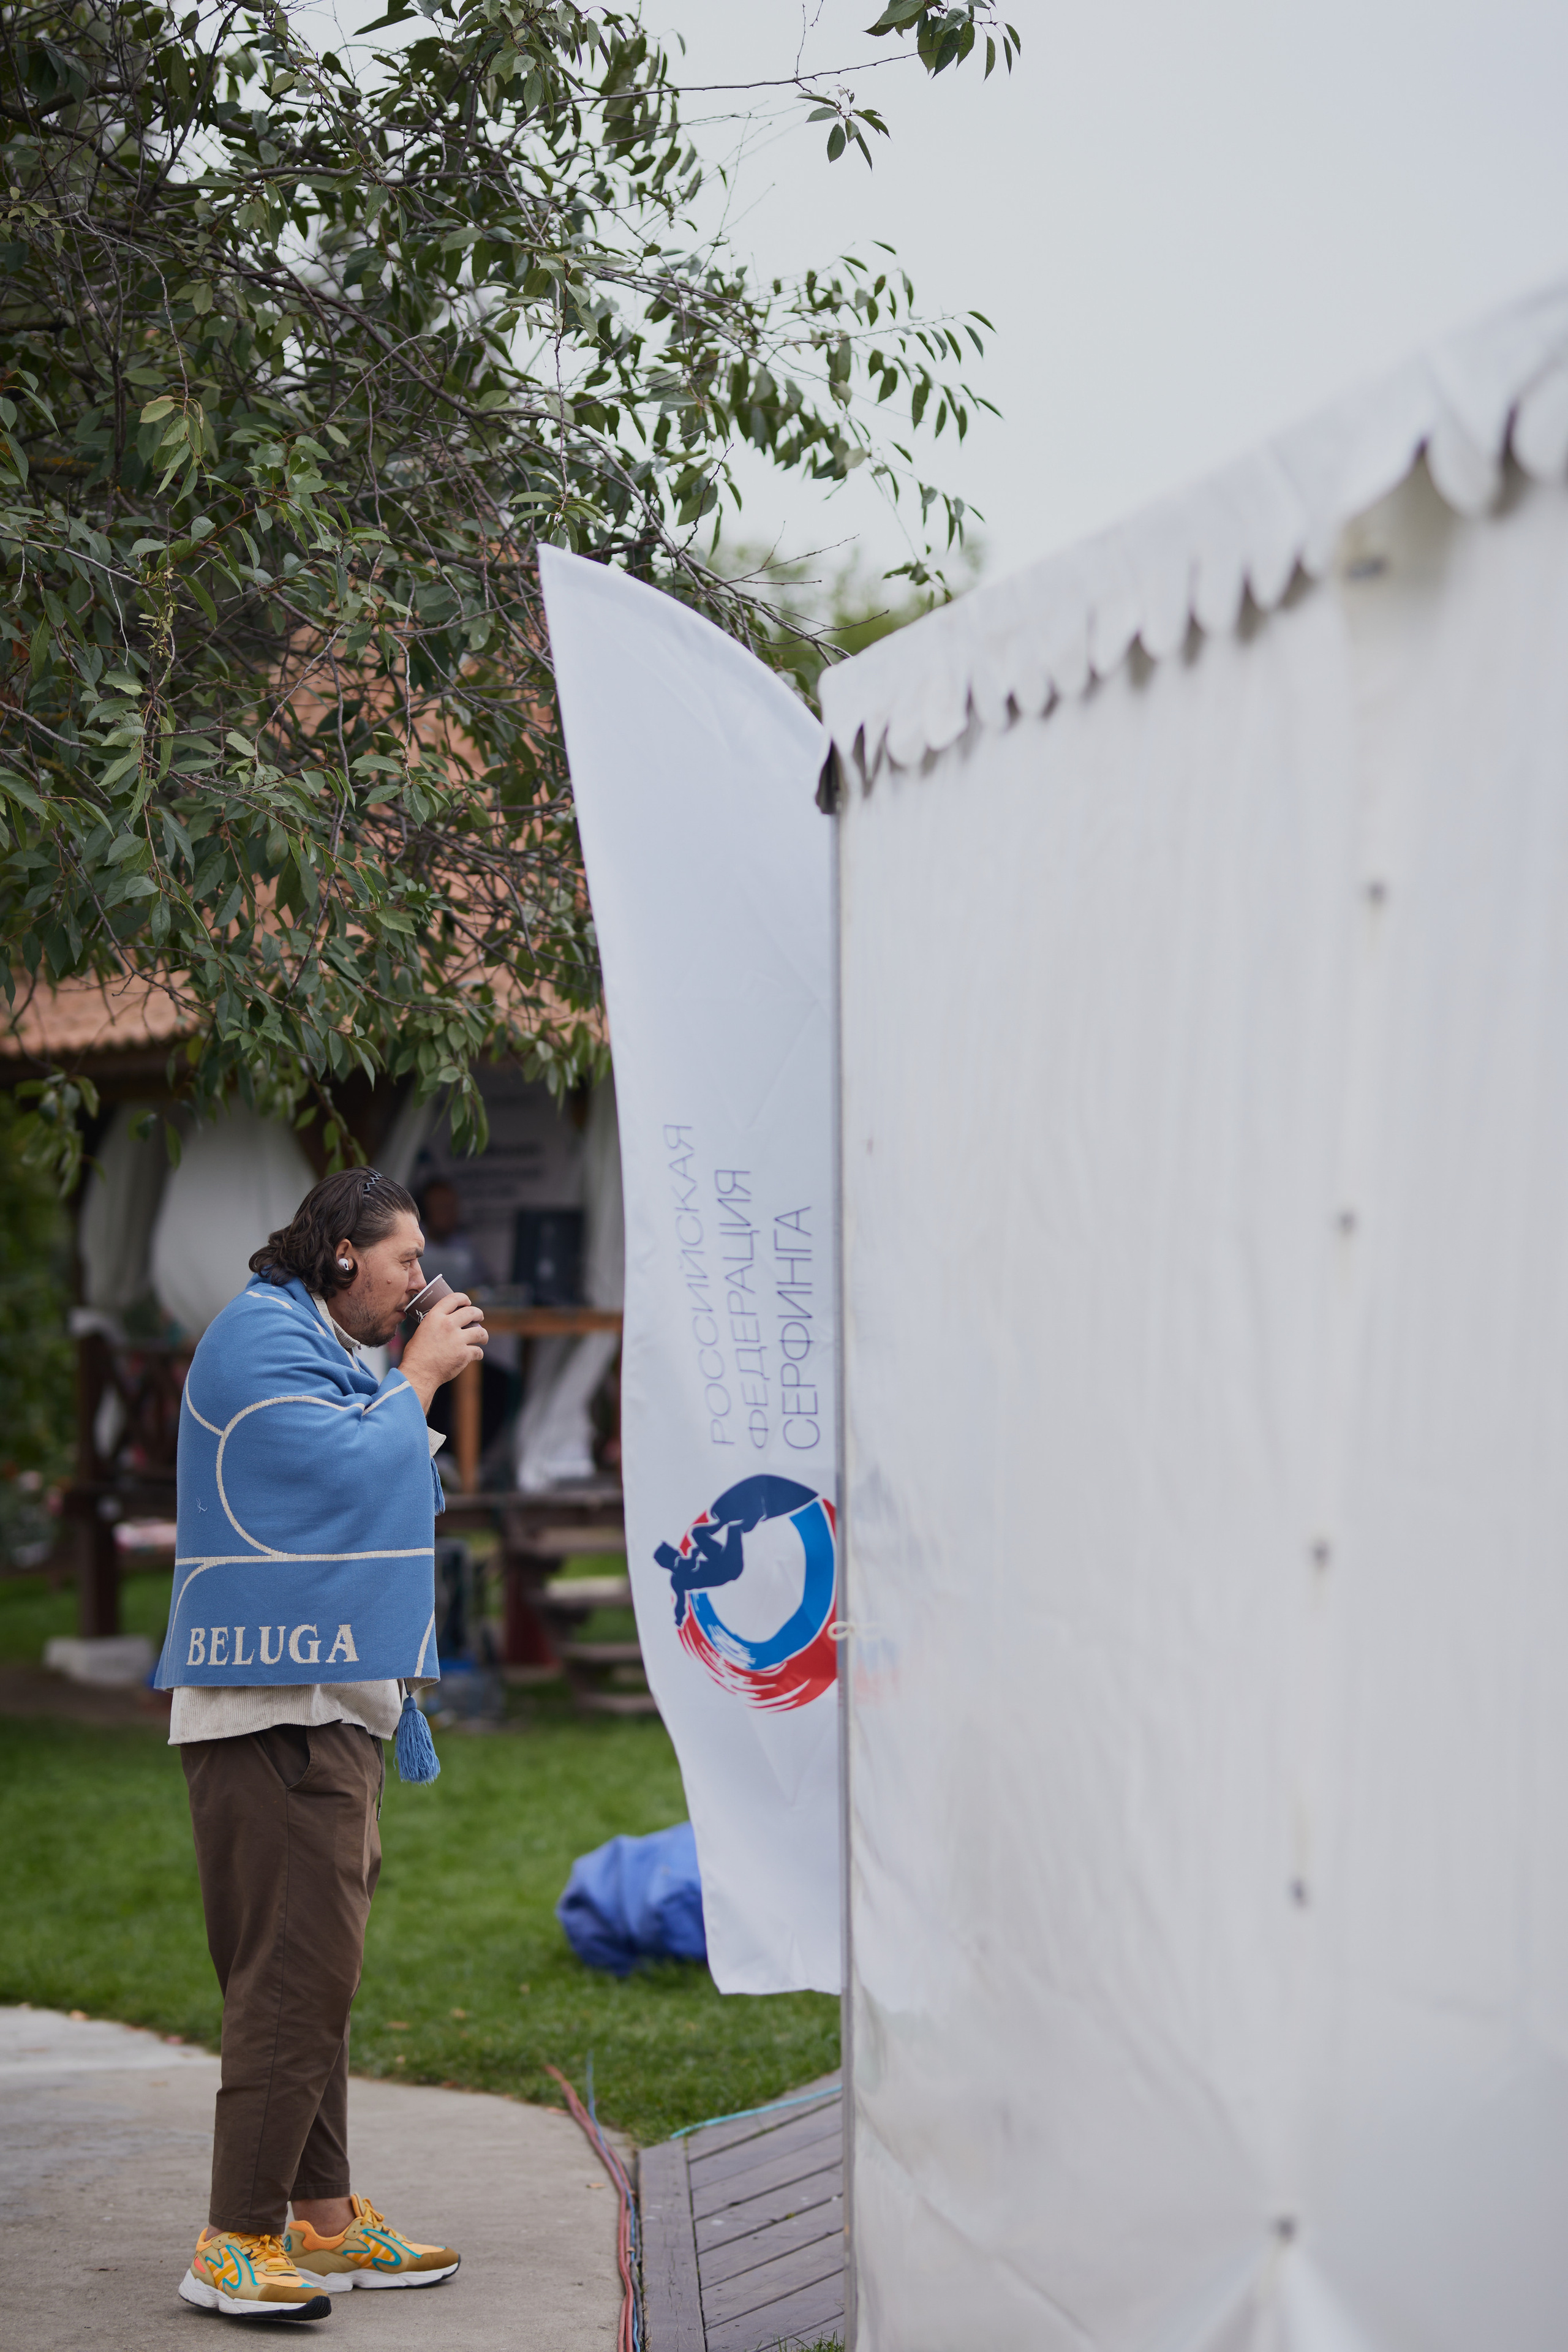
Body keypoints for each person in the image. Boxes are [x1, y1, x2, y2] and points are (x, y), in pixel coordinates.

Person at [156, 1167, 488, 2322]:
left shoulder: (318, 1344)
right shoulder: (258, 1341)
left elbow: (387, 1481)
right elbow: (346, 1474)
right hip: (273, 1712)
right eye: (405, 1260)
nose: (419, 1283)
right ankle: (233, 2241)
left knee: (316, 1980)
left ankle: (324, 2219)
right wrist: (421, 1379)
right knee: (290, 1986)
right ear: (342, 1254)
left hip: (326, 1703)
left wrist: (401, 1381)